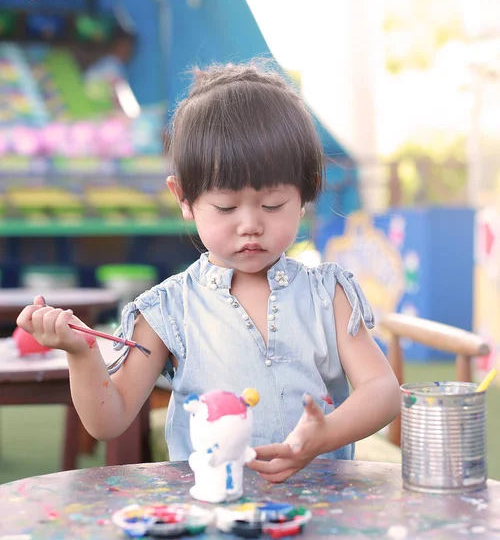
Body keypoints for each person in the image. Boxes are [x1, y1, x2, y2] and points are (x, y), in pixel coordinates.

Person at [17, 61, 400, 482]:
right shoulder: (168, 308)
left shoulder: (328, 293)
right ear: (182, 196)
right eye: (226, 207)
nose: (250, 223)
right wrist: (80, 352)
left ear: (306, 189)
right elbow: (109, 420)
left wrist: (326, 434)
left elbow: (382, 392)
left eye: (272, 204)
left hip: (321, 509)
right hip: (209, 511)